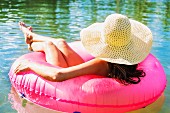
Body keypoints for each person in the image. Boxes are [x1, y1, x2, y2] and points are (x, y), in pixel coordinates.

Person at [14, 14, 153, 85]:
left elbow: (58, 75)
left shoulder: (101, 63)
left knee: (49, 45)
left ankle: (30, 44)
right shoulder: (131, 59)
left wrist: (30, 65)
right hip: (86, 73)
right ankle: (31, 36)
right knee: (61, 42)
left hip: (70, 81)